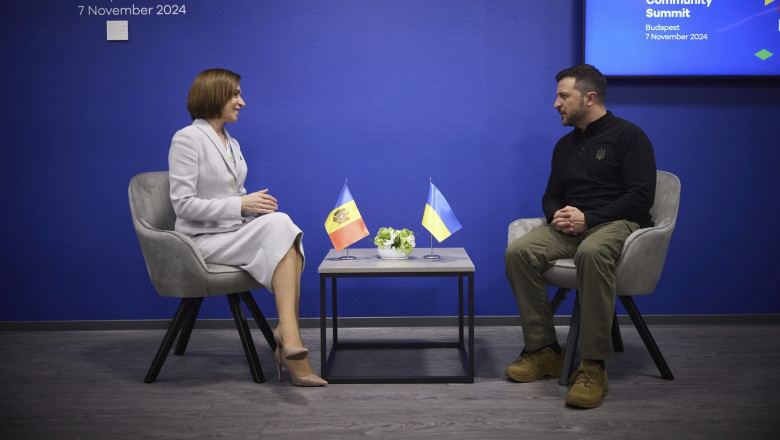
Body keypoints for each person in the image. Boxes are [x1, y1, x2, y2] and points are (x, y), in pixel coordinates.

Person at [504, 64, 656, 408]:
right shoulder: (564, 145)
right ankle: (544, 351)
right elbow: (551, 194)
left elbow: (641, 196)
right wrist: (555, 215)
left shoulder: (629, 136)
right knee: (519, 252)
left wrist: (590, 218)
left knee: (592, 252)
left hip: (618, 223)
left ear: (589, 98)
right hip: (572, 227)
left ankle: (592, 366)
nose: (555, 104)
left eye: (562, 96)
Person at [168, 68, 327, 387]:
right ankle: (289, 338)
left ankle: (288, 335)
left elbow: (235, 194)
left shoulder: (232, 142)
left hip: (229, 234)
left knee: (283, 228)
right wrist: (241, 205)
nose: (242, 101)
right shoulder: (187, 139)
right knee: (283, 230)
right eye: (236, 94)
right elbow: (182, 205)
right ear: (215, 95)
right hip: (199, 242)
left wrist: (252, 211)